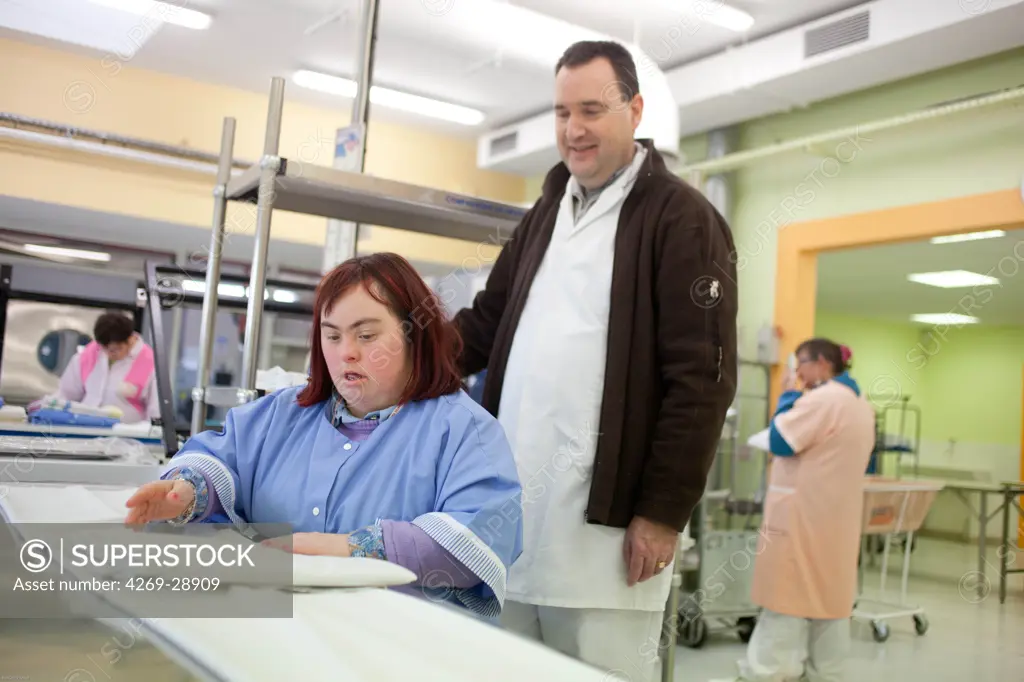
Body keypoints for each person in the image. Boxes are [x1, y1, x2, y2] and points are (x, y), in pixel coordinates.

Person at [452, 40, 738, 680]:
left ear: (635, 111)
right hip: (512, 519)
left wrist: (663, 513)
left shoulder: (683, 220)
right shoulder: (544, 213)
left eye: (591, 109)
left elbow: (703, 380)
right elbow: (485, 323)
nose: (573, 130)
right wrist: (394, 358)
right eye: (560, 113)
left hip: (608, 536)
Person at [123, 253, 524, 620]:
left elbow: (476, 539)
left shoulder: (462, 430)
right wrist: (190, 491)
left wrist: (352, 548)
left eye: (365, 336)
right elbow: (222, 457)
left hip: (395, 649)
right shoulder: (282, 414)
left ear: (414, 336)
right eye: (332, 336)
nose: (346, 352)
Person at [718, 338, 875, 682]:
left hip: (803, 517)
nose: (798, 373)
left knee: (785, 598)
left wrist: (788, 396)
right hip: (836, 520)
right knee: (830, 602)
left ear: (821, 363)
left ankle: (766, 672)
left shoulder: (824, 399)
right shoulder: (859, 402)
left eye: (800, 365)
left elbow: (780, 440)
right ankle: (825, 672)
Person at [55, 311, 159, 423]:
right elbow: (66, 394)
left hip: (127, 434)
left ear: (130, 339)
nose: (110, 354)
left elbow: (155, 410)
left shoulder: (150, 362)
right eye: (105, 349)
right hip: (85, 428)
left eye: (116, 349)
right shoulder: (88, 355)